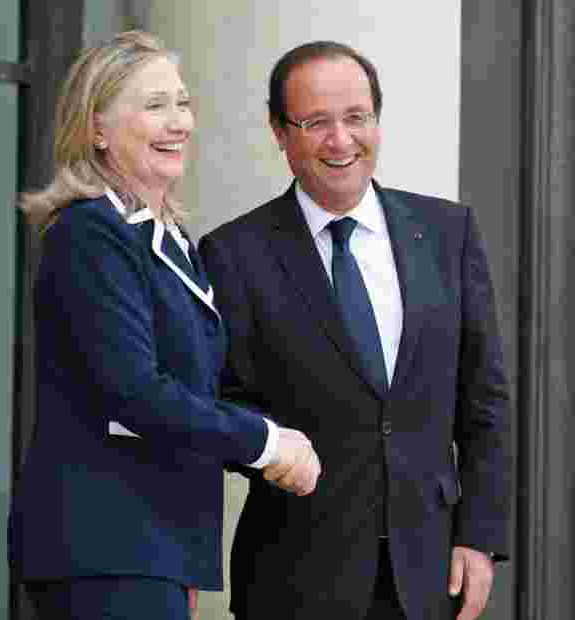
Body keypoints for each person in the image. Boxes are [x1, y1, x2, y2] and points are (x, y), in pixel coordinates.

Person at [7, 31, 320, 620]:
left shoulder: (165, 238)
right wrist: (265, 444)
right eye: (154, 106)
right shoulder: (90, 235)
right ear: (97, 129)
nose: (179, 122)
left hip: (154, 548)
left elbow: (193, 390)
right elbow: (135, 392)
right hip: (107, 548)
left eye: (182, 103)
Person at [198, 41, 511, 620]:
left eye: (356, 117)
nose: (340, 141)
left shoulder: (448, 233)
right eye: (316, 122)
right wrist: (274, 452)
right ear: (280, 132)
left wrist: (480, 535)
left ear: (377, 120)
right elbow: (222, 400)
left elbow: (484, 400)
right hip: (295, 571)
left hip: (429, 571)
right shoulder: (234, 254)